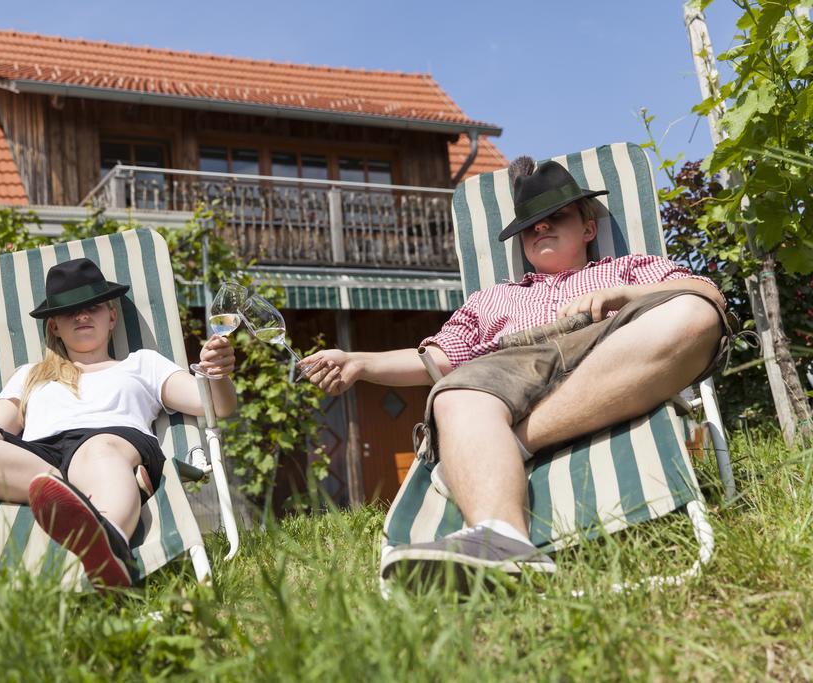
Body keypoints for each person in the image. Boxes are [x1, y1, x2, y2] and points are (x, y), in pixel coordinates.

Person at [300, 158, 731, 581]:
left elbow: (704, 293)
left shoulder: (626, 269)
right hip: (512, 365)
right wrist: (358, 362)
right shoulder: (492, 299)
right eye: (530, 225)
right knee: (455, 393)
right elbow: (438, 359)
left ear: (588, 229)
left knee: (695, 316)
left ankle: (511, 443)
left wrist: (625, 294)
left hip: (608, 346)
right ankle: (502, 538)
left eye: (554, 216)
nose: (540, 227)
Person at [0, 258, 237, 590]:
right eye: (69, 311)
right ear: (54, 326)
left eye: (93, 307)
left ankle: (109, 547)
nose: (82, 315)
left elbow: (216, 405)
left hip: (112, 446)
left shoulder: (143, 364)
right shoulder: (29, 375)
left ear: (111, 316)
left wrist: (219, 374)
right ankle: (69, 497)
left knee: (97, 450)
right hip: (39, 461)